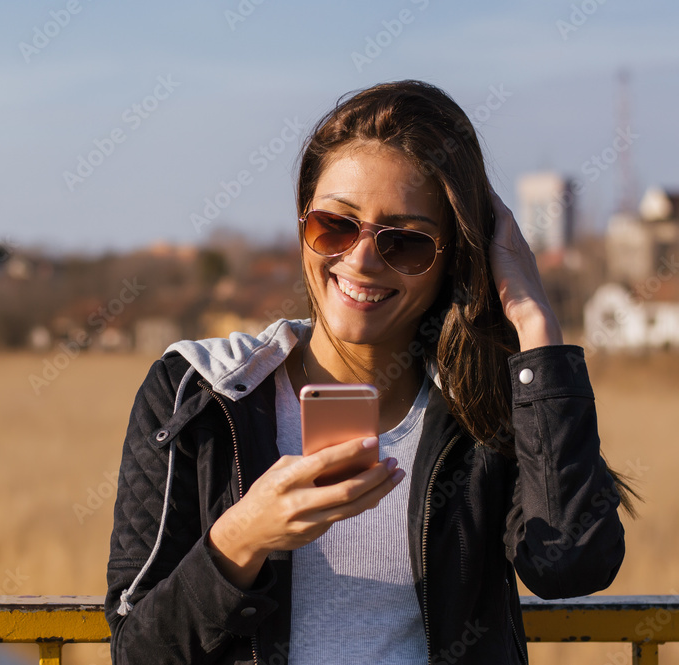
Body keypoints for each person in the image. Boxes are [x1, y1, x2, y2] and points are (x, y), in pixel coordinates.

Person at [104, 80, 630, 664]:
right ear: (302, 224)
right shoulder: (196, 393)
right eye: (335, 224)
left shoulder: (482, 410)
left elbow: (572, 565)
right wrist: (241, 537)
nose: (360, 258)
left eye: (404, 242)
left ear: (453, 255)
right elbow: (138, 652)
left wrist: (534, 328)